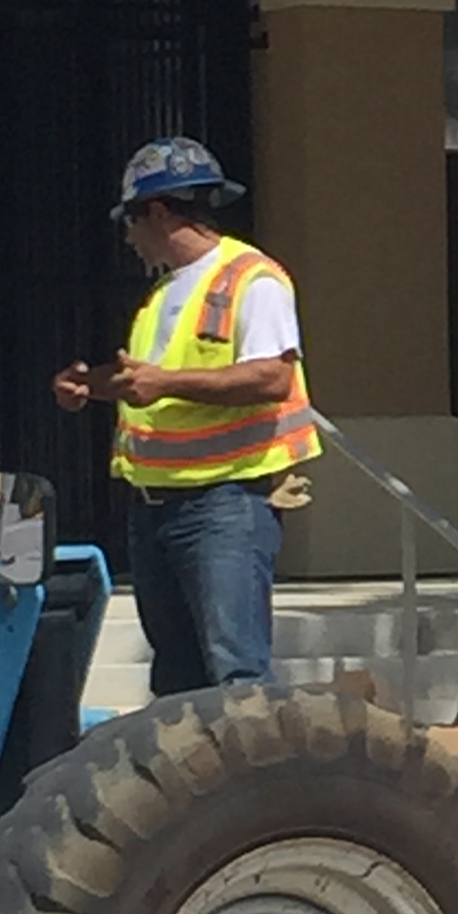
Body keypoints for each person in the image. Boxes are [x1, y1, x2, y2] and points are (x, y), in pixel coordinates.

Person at [53, 138, 319, 695]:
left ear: (158, 210)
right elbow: (148, 382)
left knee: (236, 673)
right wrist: (91, 384)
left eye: (130, 221)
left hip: (225, 504)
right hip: (155, 507)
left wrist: (162, 383)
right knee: (177, 677)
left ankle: (254, 783)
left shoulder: (252, 279)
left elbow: (272, 377)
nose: (127, 238)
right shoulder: (165, 293)